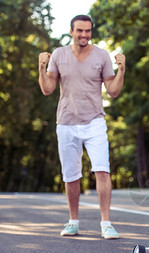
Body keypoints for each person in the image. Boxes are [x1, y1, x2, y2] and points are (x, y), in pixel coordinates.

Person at [38, 15, 125, 239]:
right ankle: (73, 222)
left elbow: (113, 91)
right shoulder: (59, 54)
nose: (84, 35)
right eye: (80, 31)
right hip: (66, 122)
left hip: (95, 121)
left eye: (87, 31)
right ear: (71, 31)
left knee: (102, 170)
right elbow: (47, 89)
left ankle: (106, 223)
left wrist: (122, 70)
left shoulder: (102, 56)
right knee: (71, 175)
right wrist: (41, 67)